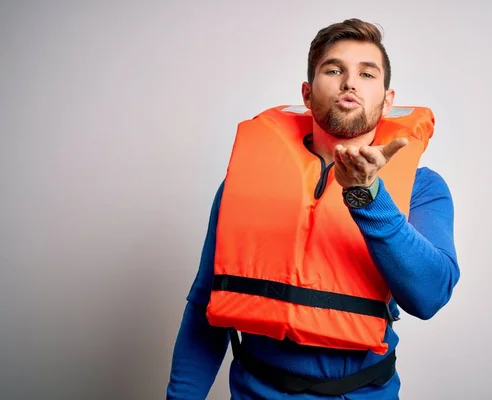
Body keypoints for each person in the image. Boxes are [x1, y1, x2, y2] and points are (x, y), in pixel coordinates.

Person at [166, 18, 460, 400]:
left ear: (387, 101)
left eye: (367, 73)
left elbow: (430, 297)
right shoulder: (243, 182)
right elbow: (206, 306)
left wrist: (368, 195)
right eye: (334, 69)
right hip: (255, 392)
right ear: (307, 94)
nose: (349, 82)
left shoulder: (424, 188)